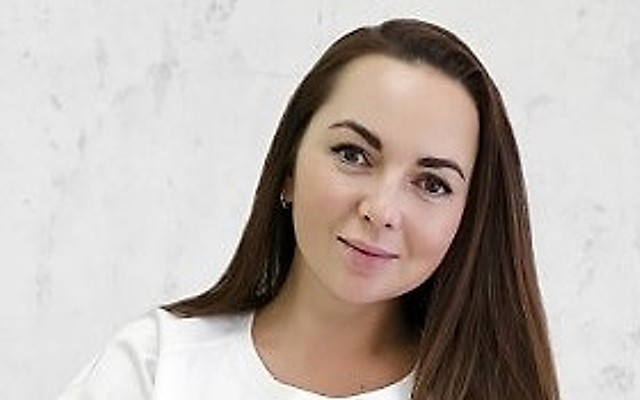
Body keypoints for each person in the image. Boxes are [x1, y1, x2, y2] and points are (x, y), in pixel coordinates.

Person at [59, 18, 560, 399]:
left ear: (468, 218)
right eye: (353, 155)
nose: (382, 209)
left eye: (432, 184)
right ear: (289, 167)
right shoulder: (155, 368)